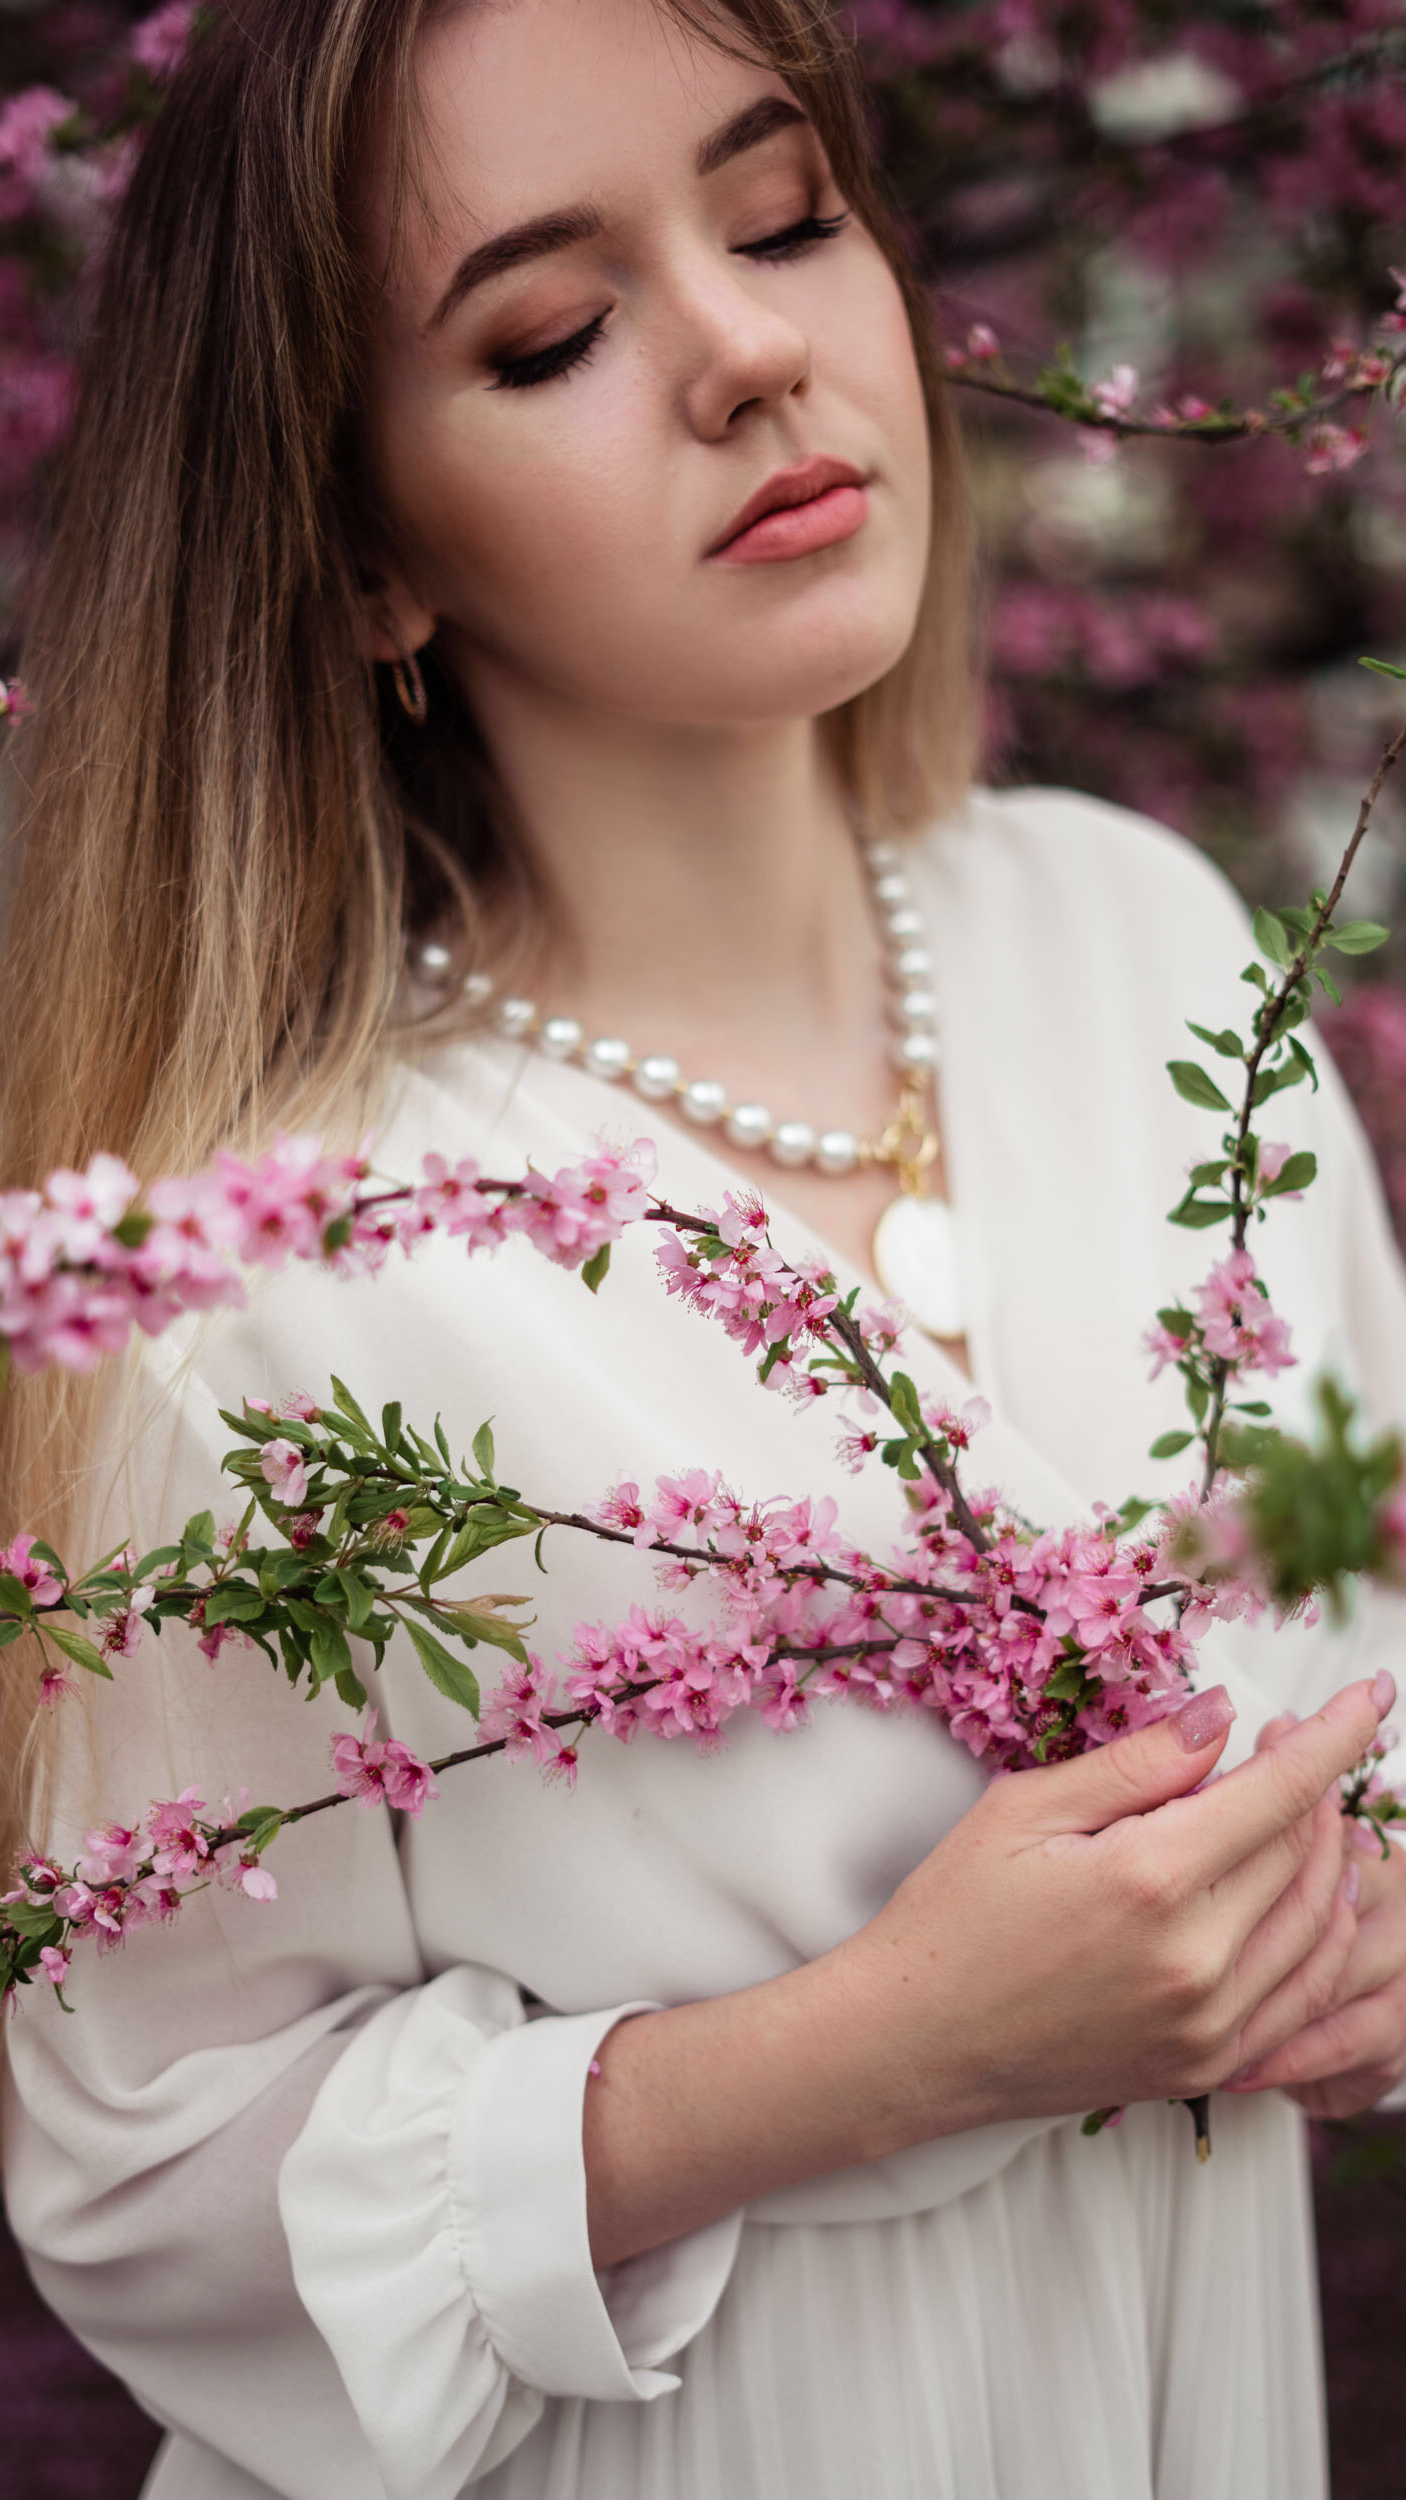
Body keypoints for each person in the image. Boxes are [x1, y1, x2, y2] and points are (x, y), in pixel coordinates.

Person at [3, 2, 1406, 2494]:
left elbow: (1367, 1632)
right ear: (356, 556)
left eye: (780, 217)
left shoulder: (1154, 944)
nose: (751, 350)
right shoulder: (254, 1284)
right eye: (553, 333)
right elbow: (142, 2178)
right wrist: (884, 2045)